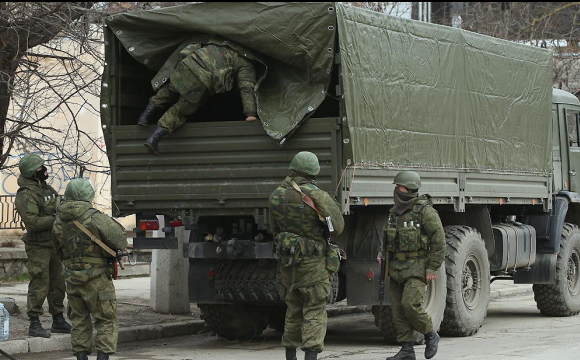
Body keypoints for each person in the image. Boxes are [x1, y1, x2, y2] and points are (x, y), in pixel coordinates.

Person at [269, 151, 345, 360]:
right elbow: (337, 227)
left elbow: (274, 229)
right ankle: (310, 355)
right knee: (314, 310)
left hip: (289, 263)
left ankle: (290, 355)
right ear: (314, 172)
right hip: (313, 264)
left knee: (293, 308)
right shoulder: (317, 195)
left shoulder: (276, 195)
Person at [137, 40, 259, 156]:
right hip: (200, 80)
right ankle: (154, 138)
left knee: (168, 90)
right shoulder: (245, 62)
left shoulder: (220, 42)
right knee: (180, 110)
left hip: (186, 65)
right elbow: (246, 88)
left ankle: (145, 117)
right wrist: (250, 113)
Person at [52, 178, 128, 360]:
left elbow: (58, 250)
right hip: (97, 278)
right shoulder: (95, 217)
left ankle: (81, 357)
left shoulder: (58, 222)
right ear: (88, 196)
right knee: (106, 319)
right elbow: (119, 239)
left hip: (72, 278)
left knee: (78, 320)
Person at [380, 171, 445, 360]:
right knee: (398, 309)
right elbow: (385, 238)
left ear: (408, 189)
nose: (396, 191)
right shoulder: (393, 213)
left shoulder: (425, 211)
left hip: (417, 267)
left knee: (410, 304)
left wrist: (433, 266)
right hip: (395, 267)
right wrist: (380, 255)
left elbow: (439, 239)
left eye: (398, 187)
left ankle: (430, 334)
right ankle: (407, 349)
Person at [14, 153, 71, 338]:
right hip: (38, 247)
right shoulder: (26, 194)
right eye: (40, 169)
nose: (44, 171)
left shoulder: (46, 189)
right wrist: (55, 219)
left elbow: (57, 205)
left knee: (58, 283)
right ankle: (34, 323)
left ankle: (58, 319)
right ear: (32, 173)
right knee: (40, 283)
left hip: (53, 244)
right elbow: (32, 222)